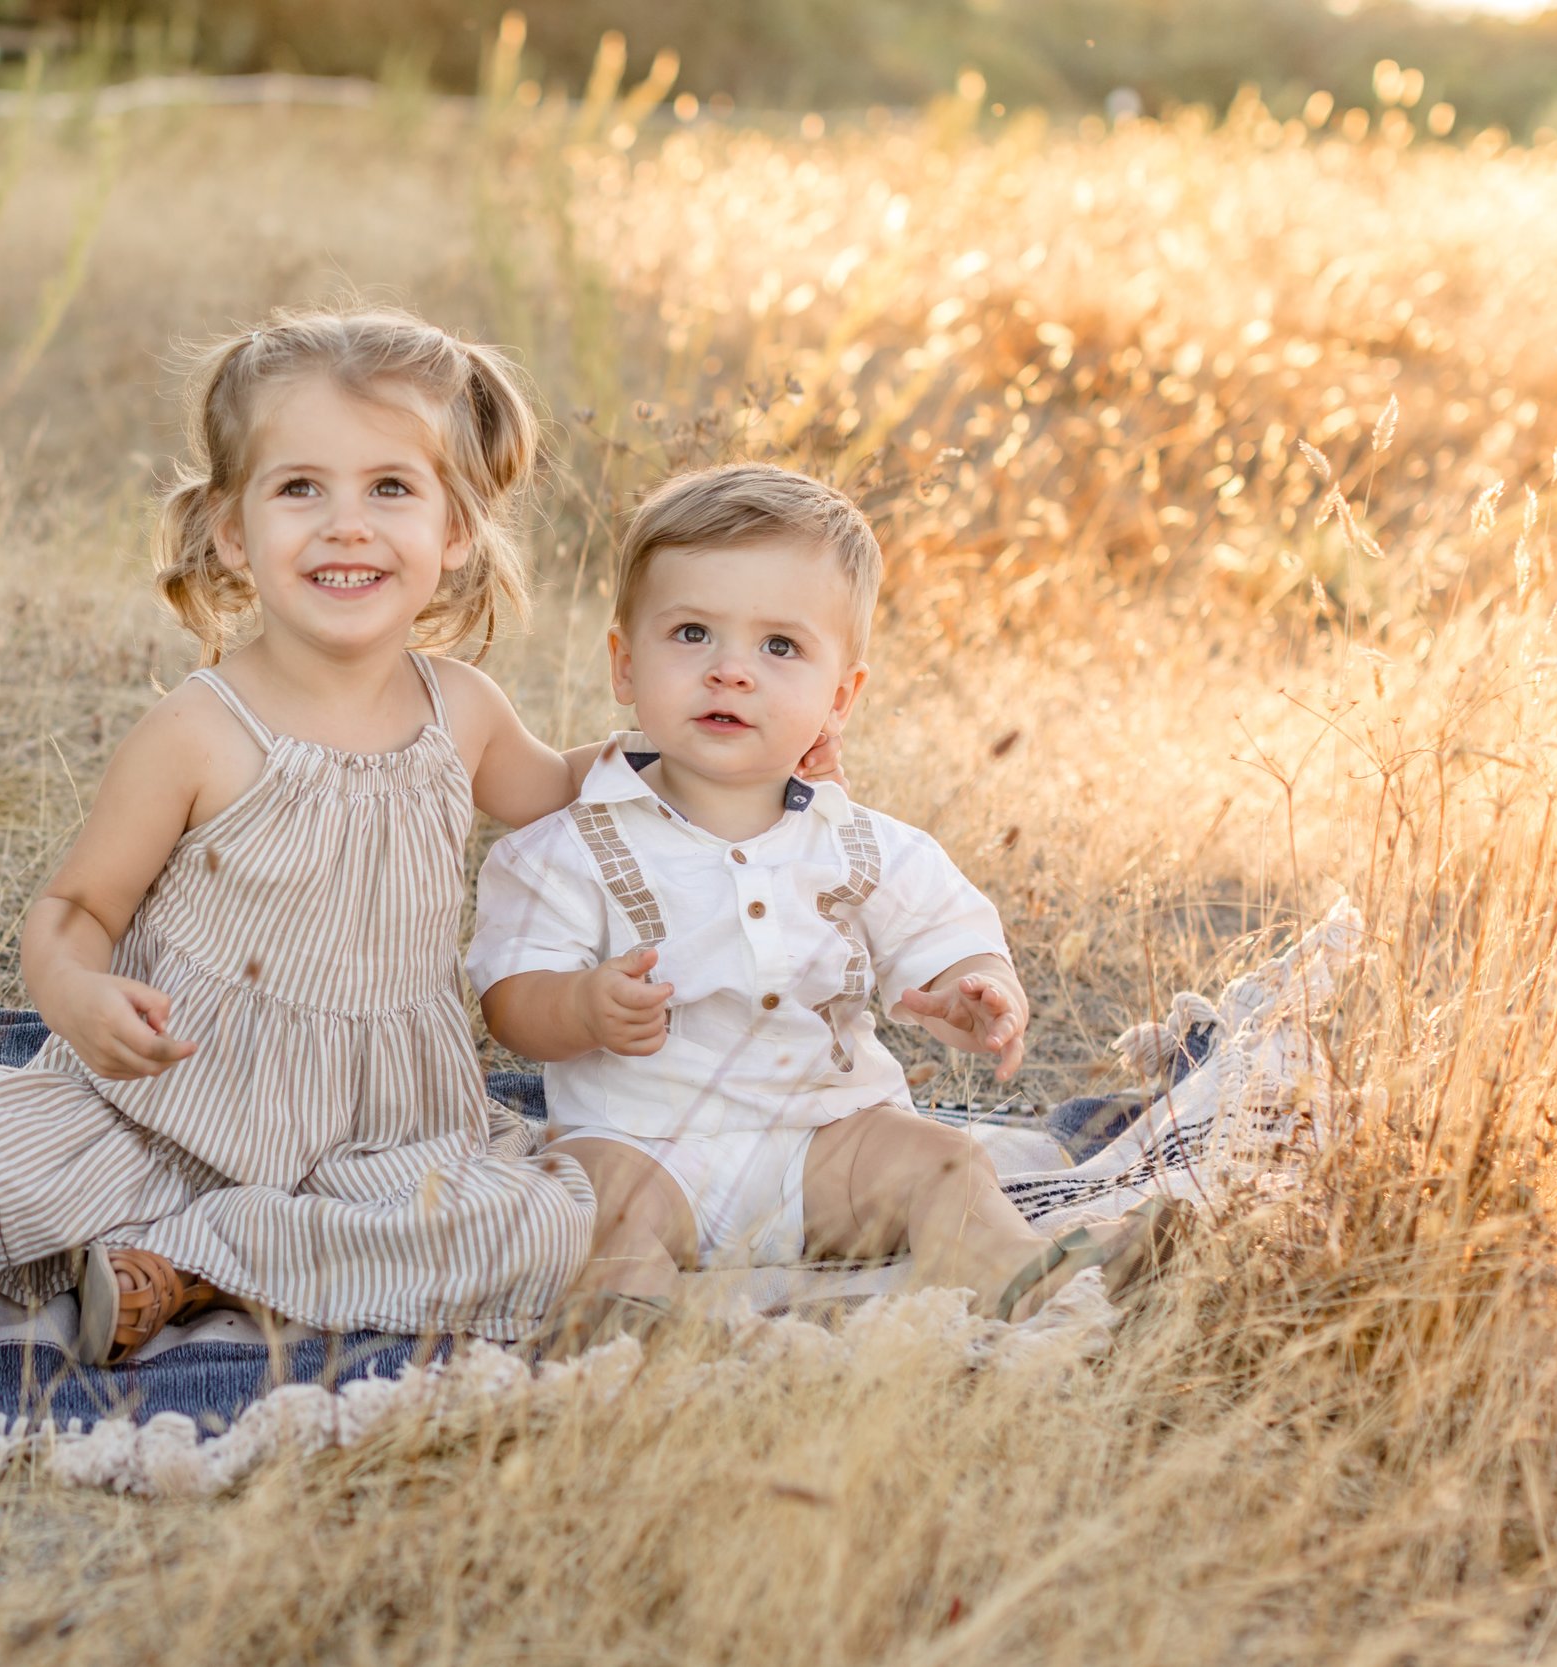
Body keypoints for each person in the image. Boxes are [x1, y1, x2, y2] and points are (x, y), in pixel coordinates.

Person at [0, 313, 843, 1468]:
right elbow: (72, 911)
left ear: (457, 532)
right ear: (227, 527)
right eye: (298, 487)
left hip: (382, 1118)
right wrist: (78, 997)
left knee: (542, 1215)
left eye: (391, 489)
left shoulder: (461, 710)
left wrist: (720, 744)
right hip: (169, 1088)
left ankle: (193, 1262)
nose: (345, 526)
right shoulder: (200, 729)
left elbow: (572, 785)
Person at [468, 464, 1176, 1341]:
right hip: (643, 1145)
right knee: (584, 1194)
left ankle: (1018, 1276)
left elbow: (946, 930)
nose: (730, 671)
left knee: (941, 1157)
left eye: (780, 648)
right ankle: (631, 1322)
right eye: (691, 633)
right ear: (623, 662)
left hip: (826, 1145)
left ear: (840, 696)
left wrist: (976, 986)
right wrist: (578, 1005)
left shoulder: (863, 843)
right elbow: (511, 1001)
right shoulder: (572, 844)